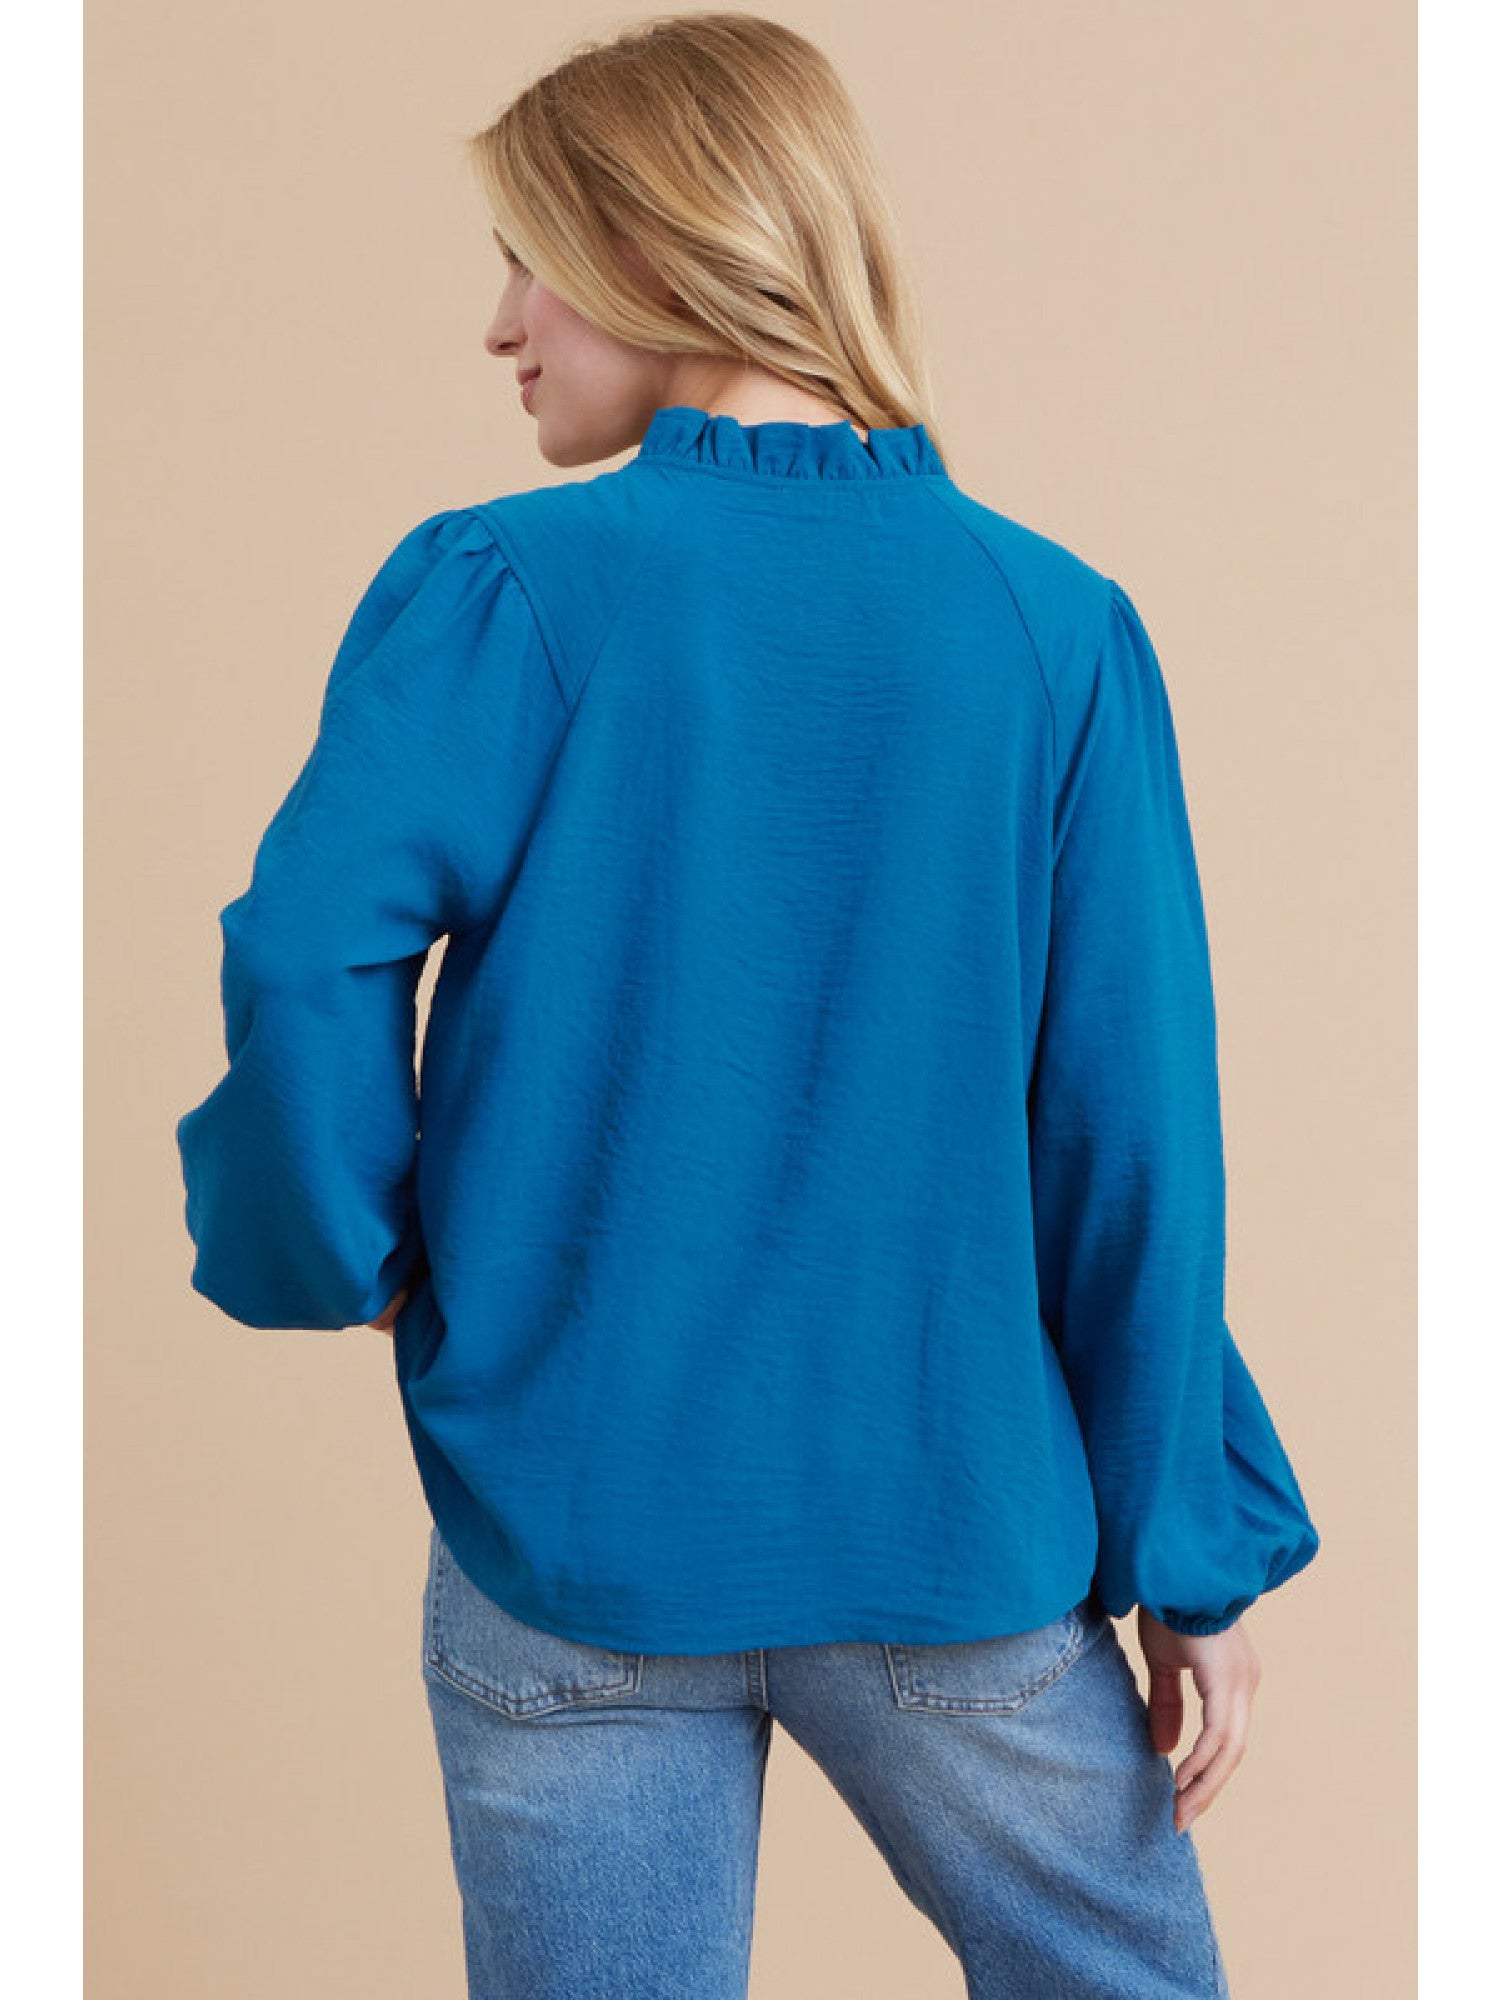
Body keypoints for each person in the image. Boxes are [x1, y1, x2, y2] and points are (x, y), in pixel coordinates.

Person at [174, 13, 1320, 1997]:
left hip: (573, 1532)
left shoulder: (505, 588)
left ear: (652, 245)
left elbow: (303, 952)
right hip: (950, 1535)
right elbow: (1128, 1136)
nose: (500, 325)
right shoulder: (1054, 629)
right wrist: (1187, 1556)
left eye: (529, 258)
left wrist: (343, 1238)